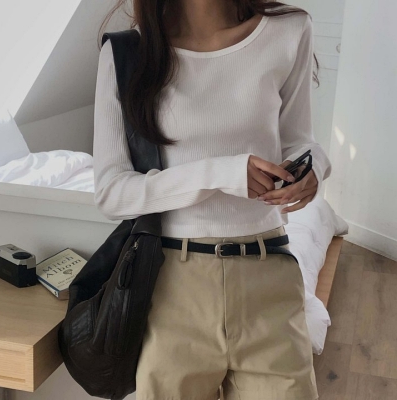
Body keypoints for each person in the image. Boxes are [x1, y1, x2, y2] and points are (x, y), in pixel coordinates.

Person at [93, 1, 331, 399]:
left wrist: (314, 168)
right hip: (172, 291)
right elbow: (111, 191)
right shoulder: (127, 53)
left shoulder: (290, 30)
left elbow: (299, 140)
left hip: (268, 279)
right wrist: (222, 174)